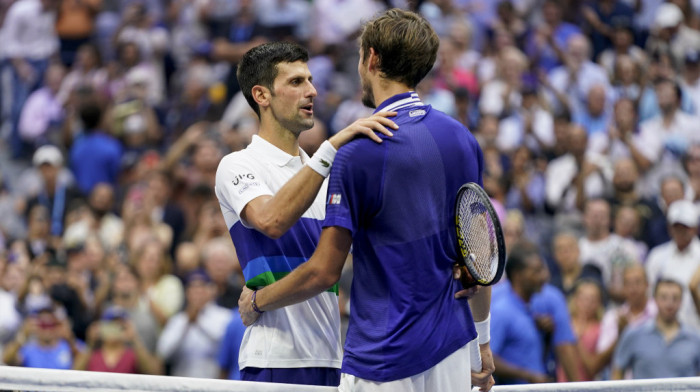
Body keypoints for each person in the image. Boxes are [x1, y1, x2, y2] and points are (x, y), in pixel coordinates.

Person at [237, 9, 495, 392]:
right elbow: (478, 256)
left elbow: (324, 272)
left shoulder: (360, 152)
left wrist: (256, 302)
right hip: (453, 349)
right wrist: (482, 343)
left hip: (383, 357)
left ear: (371, 59)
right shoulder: (461, 138)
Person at [214, 41, 396, 386]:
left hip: (333, 360)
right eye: (296, 82)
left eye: (310, 80)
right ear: (261, 96)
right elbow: (271, 221)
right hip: (274, 359)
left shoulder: (327, 176)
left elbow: (348, 264)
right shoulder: (237, 165)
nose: (312, 91)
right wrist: (330, 148)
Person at [612, 279, 700, 379]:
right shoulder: (634, 334)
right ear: (654, 299)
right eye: (663, 297)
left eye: (675, 298)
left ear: (681, 302)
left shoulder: (695, 338)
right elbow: (617, 370)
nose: (669, 303)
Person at [491, 244, 551, 385]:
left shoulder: (531, 309)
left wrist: (548, 335)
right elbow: (488, 358)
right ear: (518, 275)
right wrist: (528, 376)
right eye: (536, 271)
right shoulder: (502, 311)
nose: (544, 276)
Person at [646, 199, 700, 331]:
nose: (680, 232)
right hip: (662, 328)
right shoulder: (656, 256)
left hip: (696, 328)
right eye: (676, 227)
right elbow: (649, 293)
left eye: (685, 227)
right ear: (669, 228)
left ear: (694, 228)